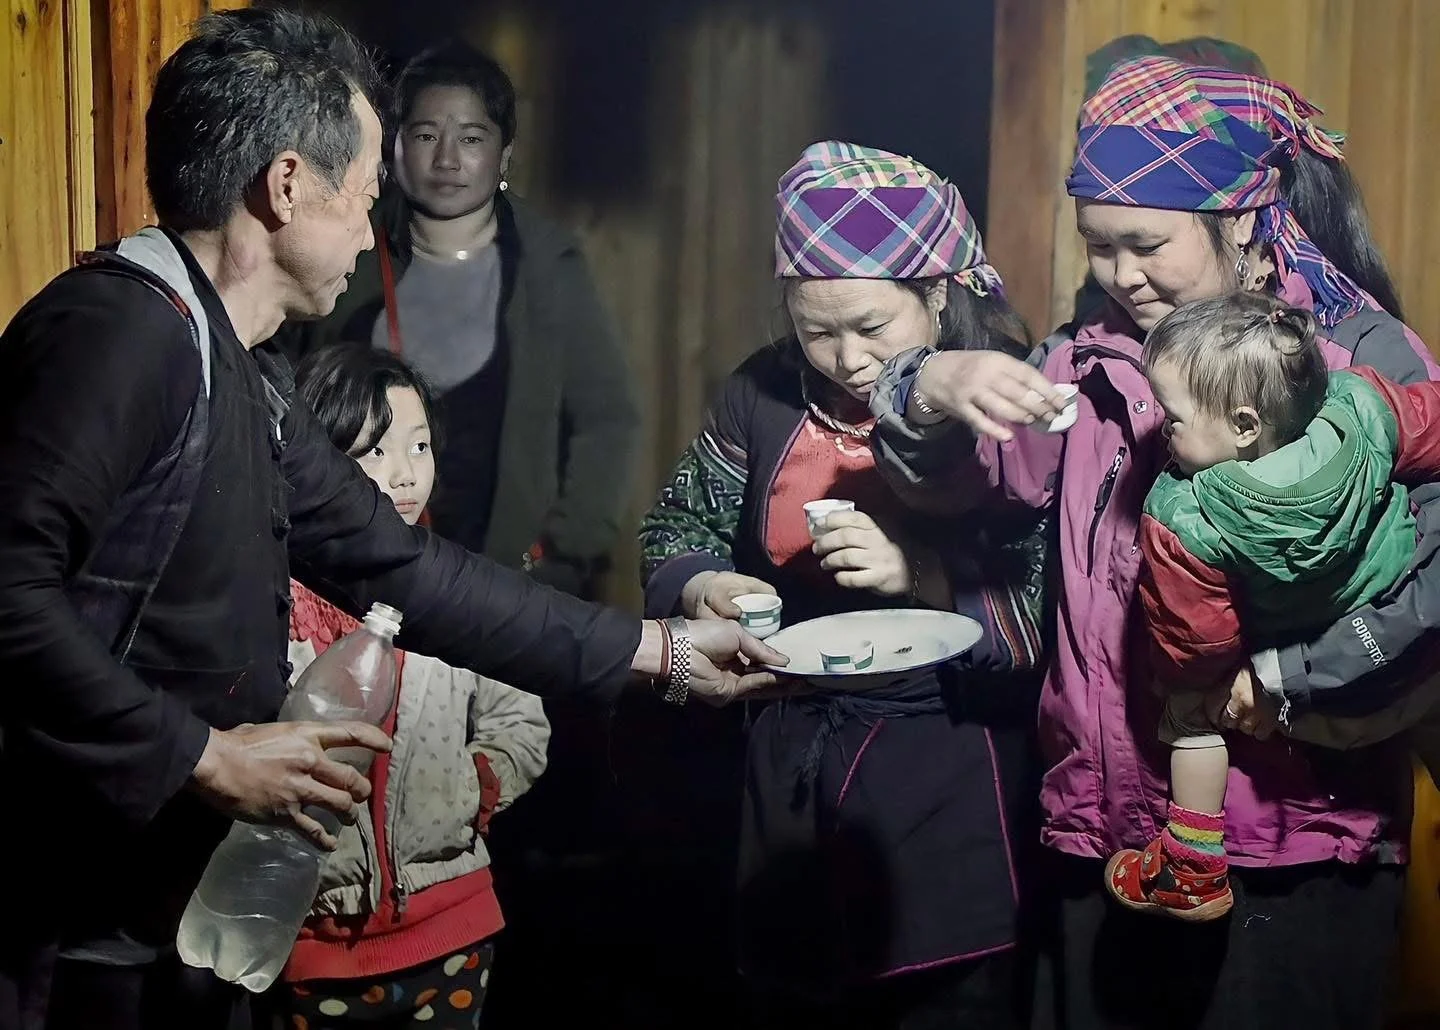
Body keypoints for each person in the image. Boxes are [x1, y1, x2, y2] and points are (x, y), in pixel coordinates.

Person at [0, 11, 777, 1030]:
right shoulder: (118, 332)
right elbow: (9, 594)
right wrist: (203, 755)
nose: (373, 235)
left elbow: (406, 567)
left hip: (167, 900)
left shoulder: (243, 366)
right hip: (74, 911)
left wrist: (658, 651)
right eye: (367, 199)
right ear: (287, 186)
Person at [868, 57, 1439, 1029]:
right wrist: (927, 391)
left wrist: (1293, 676)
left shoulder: (1352, 359)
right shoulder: (1081, 363)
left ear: (1243, 222)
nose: (1121, 274)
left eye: (1146, 243)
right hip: (1104, 839)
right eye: (1099, 245)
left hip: (1293, 845)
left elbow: (1430, 581)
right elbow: (966, 489)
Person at [640, 141, 1049, 1029]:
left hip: (950, 760)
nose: (847, 357)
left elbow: (1055, 604)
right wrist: (705, 585)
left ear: (936, 292)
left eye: (872, 326)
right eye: (816, 330)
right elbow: (679, 523)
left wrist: (920, 573)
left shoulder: (1005, 390)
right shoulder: (762, 393)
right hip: (792, 749)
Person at [1117, 291, 1440, 921]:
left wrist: (1205, 683)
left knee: (1190, 713)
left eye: (1172, 416)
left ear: (1243, 426)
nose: (1162, 427)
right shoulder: (1361, 407)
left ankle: (1193, 867)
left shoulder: (1187, 516)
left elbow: (1200, 642)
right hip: (1409, 665)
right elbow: (1431, 426)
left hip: (1314, 709)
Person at [275, 41, 639, 599]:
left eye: (471, 138)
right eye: (426, 136)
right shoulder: (344, 247)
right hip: (350, 571)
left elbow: (608, 419)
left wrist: (561, 555)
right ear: (393, 146)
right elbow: (282, 388)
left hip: (507, 582)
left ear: (504, 156)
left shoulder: (548, 265)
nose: (447, 160)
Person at [265, 345, 549, 1028]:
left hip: (453, 923)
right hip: (315, 939)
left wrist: (474, 788)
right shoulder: (275, 604)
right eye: (375, 451)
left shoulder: (456, 591)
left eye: (419, 447)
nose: (405, 474)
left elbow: (521, 719)